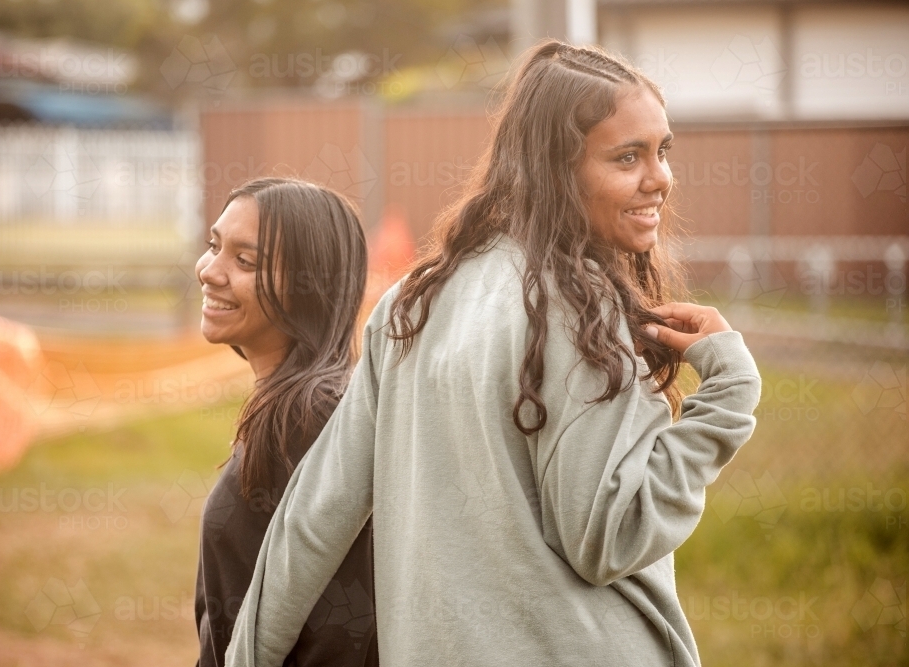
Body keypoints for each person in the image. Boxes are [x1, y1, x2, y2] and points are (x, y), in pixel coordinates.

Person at [226, 41, 762, 667]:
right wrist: (727, 393)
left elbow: (312, 520)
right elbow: (610, 535)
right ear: (558, 170)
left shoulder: (409, 305)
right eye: (627, 157)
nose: (660, 178)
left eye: (662, 150)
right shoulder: (577, 312)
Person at [193, 177, 379, 667]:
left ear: (307, 285)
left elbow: (347, 624)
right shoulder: (294, 406)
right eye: (213, 246)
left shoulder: (312, 417)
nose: (210, 271)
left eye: (244, 261)